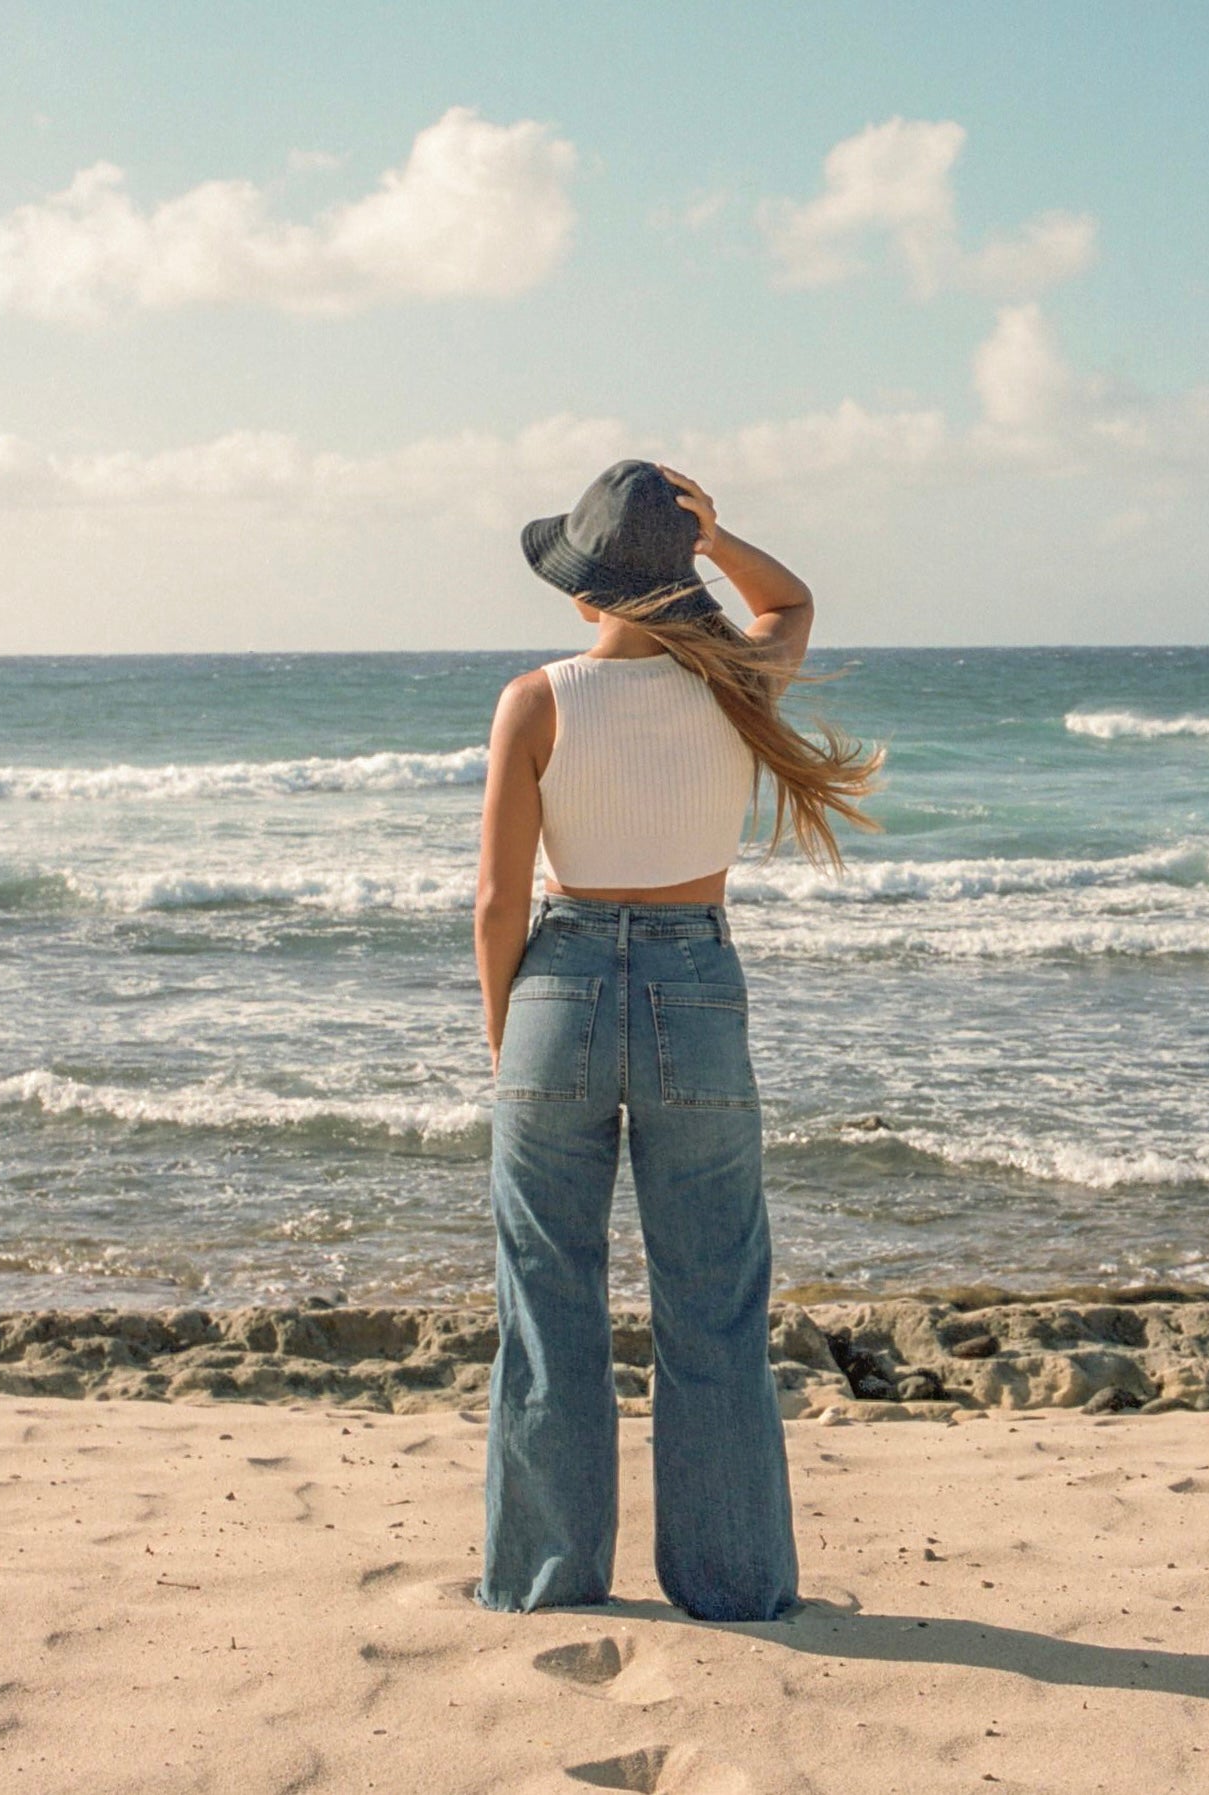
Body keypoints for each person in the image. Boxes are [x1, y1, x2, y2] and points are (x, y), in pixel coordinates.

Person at [473, 458, 882, 1621]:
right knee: (711, 1301)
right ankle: (734, 1585)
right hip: (693, 984)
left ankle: (549, 1582)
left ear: (581, 589)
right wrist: (716, 540)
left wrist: (509, 1044)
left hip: (554, 988)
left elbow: (500, 901)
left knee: (546, 1294)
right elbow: (793, 603)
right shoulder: (736, 682)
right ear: (677, 579)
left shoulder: (535, 699)